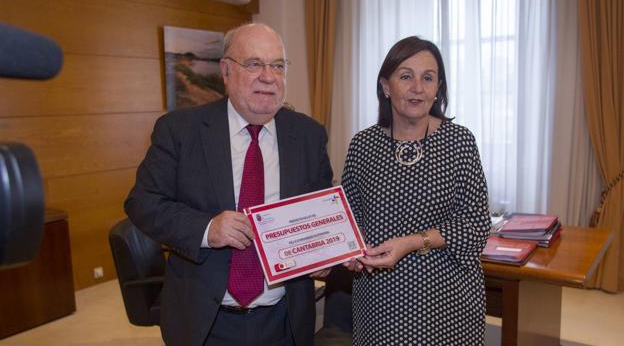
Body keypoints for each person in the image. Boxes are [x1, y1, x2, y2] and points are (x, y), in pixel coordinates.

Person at [125, 23, 333, 346]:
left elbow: (319, 214)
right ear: (226, 71)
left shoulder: (308, 135)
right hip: (205, 321)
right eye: (254, 64)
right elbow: (142, 202)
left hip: (284, 320)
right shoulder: (180, 131)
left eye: (277, 65)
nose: (268, 76)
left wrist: (325, 255)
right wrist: (207, 229)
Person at [341, 36, 490, 345]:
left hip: (447, 303)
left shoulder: (460, 142)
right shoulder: (362, 145)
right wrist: (347, 250)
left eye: (428, 78)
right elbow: (348, 220)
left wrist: (410, 243)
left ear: (438, 88)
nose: (417, 88)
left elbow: (475, 227)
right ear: (386, 85)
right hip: (379, 303)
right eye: (406, 76)